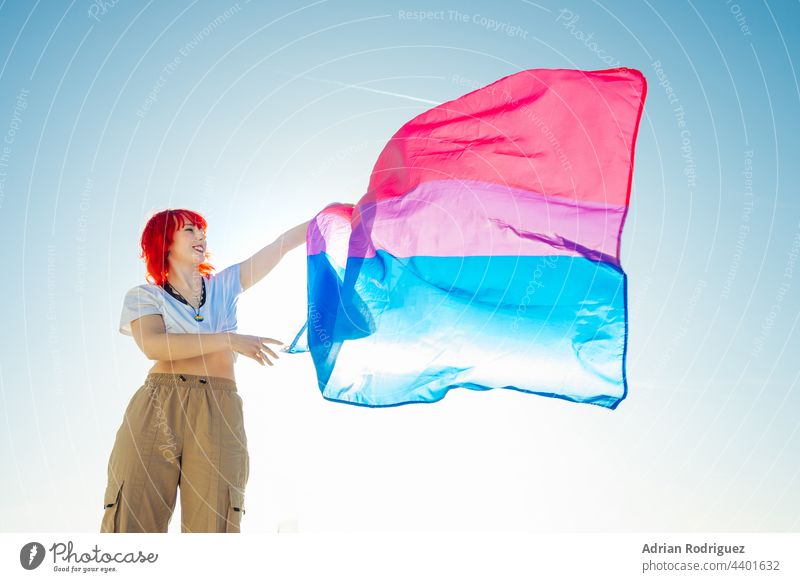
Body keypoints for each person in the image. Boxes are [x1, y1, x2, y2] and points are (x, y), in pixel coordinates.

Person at [100, 208, 310, 533]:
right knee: (131, 520)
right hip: (158, 404)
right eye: (189, 230)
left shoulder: (225, 285)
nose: (200, 236)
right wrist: (229, 340)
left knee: (215, 527)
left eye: (202, 230)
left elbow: (281, 245)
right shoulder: (144, 296)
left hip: (219, 407)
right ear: (165, 242)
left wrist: (322, 219)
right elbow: (155, 346)